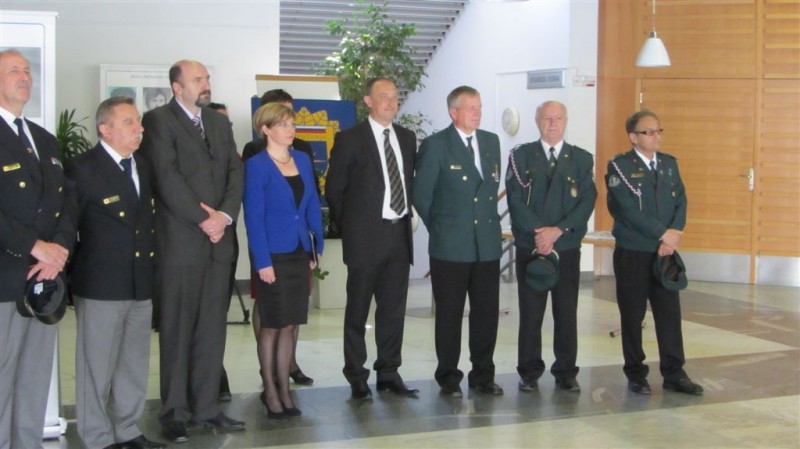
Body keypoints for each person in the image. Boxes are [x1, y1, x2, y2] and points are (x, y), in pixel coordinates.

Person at [139, 59, 245, 443]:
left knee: (212, 328)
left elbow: (235, 172)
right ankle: (174, 411)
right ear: (176, 87)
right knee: (178, 327)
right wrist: (205, 219)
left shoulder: (217, 122)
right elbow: (167, 179)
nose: (205, 83)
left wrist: (224, 216)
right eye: (197, 79)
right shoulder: (158, 121)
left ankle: (206, 407)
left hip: (219, 242)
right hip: (182, 242)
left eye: (207, 78)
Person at [65, 96, 164, 449]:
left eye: (138, 121)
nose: (139, 128)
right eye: (128, 122)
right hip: (101, 284)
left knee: (133, 363)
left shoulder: (143, 165)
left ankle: (127, 429)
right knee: (96, 366)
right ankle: (97, 437)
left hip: (139, 282)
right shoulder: (83, 168)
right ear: (105, 130)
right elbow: (67, 226)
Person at [0, 49, 77, 449]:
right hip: (6, 280)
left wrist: (59, 248)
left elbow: (67, 200)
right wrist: (35, 247)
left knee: (34, 379)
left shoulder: (44, 140)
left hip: (45, 281)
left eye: (27, 70)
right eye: (14, 70)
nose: (24, 76)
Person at [326, 77, 418, 400]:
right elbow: (334, 191)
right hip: (365, 238)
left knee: (393, 310)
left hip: (398, 235)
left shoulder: (407, 138)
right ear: (368, 101)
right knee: (358, 310)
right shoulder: (350, 139)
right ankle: (356, 375)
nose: (391, 103)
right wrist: (353, 230)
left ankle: (389, 372)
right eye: (383, 97)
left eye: (394, 97)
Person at [413, 85, 503, 398]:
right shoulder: (437, 145)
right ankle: (448, 377)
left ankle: (483, 375)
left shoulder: (491, 141)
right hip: (451, 247)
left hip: (486, 245)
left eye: (480, 107)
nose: (478, 113)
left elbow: (489, 190)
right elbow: (422, 195)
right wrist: (443, 228)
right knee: (450, 315)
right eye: (471, 108)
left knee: (486, 315)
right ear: (454, 112)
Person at [605, 109, 703, 396]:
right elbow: (624, 209)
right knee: (632, 315)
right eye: (649, 132)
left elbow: (681, 200)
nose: (656, 136)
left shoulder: (669, 165)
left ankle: (674, 373)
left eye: (659, 130)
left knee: (669, 314)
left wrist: (674, 234)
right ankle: (636, 374)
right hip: (634, 252)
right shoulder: (620, 166)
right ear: (633, 137)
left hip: (664, 252)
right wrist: (663, 233)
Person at [505, 100, 597, 393]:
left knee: (566, 312)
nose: (553, 123)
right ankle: (529, 372)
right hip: (531, 246)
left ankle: (566, 371)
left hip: (565, 246)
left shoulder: (581, 159)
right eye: (547, 118)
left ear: (566, 121)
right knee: (531, 314)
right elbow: (515, 199)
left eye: (558, 118)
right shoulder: (521, 157)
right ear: (537, 121)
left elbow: (587, 201)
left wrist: (558, 231)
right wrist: (540, 233)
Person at [243, 103, 324, 418]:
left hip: (298, 252)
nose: (291, 130)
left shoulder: (301, 159)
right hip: (272, 255)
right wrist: (262, 261)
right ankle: (271, 391)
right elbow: (254, 218)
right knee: (272, 325)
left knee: (290, 324)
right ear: (265, 129)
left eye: (292, 124)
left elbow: (312, 204)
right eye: (283, 125)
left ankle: (286, 392)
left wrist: (315, 247)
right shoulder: (257, 165)